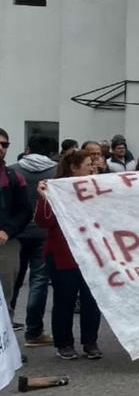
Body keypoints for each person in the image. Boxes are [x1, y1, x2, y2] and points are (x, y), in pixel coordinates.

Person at [35, 149, 103, 360]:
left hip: (92, 254)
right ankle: (64, 343)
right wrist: (45, 198)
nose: (93, 167)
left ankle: (90, 342)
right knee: (65, 300)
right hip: (64, 255)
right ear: (74, 168)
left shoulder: (98, 188)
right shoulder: (55, 189)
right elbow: (43, 221)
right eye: (88, 164)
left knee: (92, 300)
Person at [13, 134, 56, 346]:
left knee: (12, 283)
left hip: (16, 234)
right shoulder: (57, 172)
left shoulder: (12, 170)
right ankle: (34, 332)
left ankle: (7, 332)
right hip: (43, 233)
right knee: (39, 282)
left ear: (28, 148)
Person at [0, 127, 33, 330]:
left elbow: (24, 212)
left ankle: (6, 350)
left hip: (6, 245)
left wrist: (7, 231)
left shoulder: (14, 176)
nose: (1, 148)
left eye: (4, 144)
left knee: (5, 297)